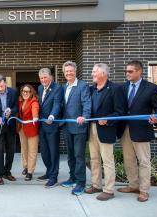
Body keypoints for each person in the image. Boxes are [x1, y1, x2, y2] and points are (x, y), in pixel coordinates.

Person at [117, 60, 157, 202]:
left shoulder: (151, 88)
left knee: (143, 161)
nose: (127, 74)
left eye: (130, 71)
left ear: (139, 71)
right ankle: (133, 185)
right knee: (128, 160)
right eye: (126, 71)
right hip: (125, 129)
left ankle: (144, 190)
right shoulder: (123, 87)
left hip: (142, 130)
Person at [85, 63, 124, 201]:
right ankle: (96, 185)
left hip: (106, 129)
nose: (92, 74)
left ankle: (109, 190)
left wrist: (107, 119)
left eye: (94, 72)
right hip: (92, 128)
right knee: (94, 159)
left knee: (107, 161)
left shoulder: (115, 89)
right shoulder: (91, 89)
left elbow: (120, 112)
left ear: (103, 73)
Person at [60, 61, 91, 196]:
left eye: (71, 71)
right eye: (66, 71)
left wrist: (84, 116)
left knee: (79, 156)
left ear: (75, 71)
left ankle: (80, 183)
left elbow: (87, 103)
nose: (68, 73)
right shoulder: (64, 87)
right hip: (67, 126)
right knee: (70, 155)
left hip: (79, 126)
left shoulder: (83, 86)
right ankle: (72, 178)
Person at [0, 74, 18, 185]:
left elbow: (16, 107)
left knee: (11, 150)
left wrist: (11, 111)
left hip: (10, 125)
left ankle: (7, 172)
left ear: (5, 83)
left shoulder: (13, 92)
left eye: (1, 86)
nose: (0, 88)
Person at [37, 68, 63, 188]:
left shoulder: (57, 88)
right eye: (41, 78)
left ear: (50, 77)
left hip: (52, 125)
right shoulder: (40, 88)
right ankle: (48, 171)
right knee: (44, 152)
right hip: (42, 125)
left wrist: (52, 116)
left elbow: (57, 104)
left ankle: (54, 177)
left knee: (53, 152)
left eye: (45, 77)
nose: (43, 80)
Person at [17, 84, 39, 181]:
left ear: (31, 92)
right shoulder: (20, 100)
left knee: (32, 151)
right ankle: (25, 166)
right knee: (24, 149)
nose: (25, 93)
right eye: (24, 91)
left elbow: (35, 109)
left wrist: (35, 117)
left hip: (32, 129)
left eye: (28, 91)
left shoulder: (33, 101)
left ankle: (30, 171)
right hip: (22, 129)